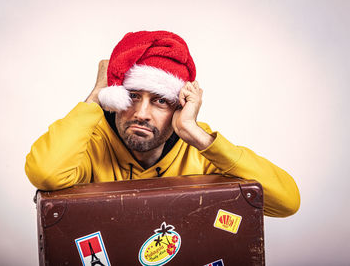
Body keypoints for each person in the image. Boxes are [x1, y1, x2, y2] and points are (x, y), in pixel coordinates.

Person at [25, 30, 300, 217]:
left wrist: (199, 137)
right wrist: (96, 96)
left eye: (160, 101)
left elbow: (286, 202)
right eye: (132, 96)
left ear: (179, 106)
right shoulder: (91, 143)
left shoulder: (201, 149)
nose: (141, 113)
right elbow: (45, 173)